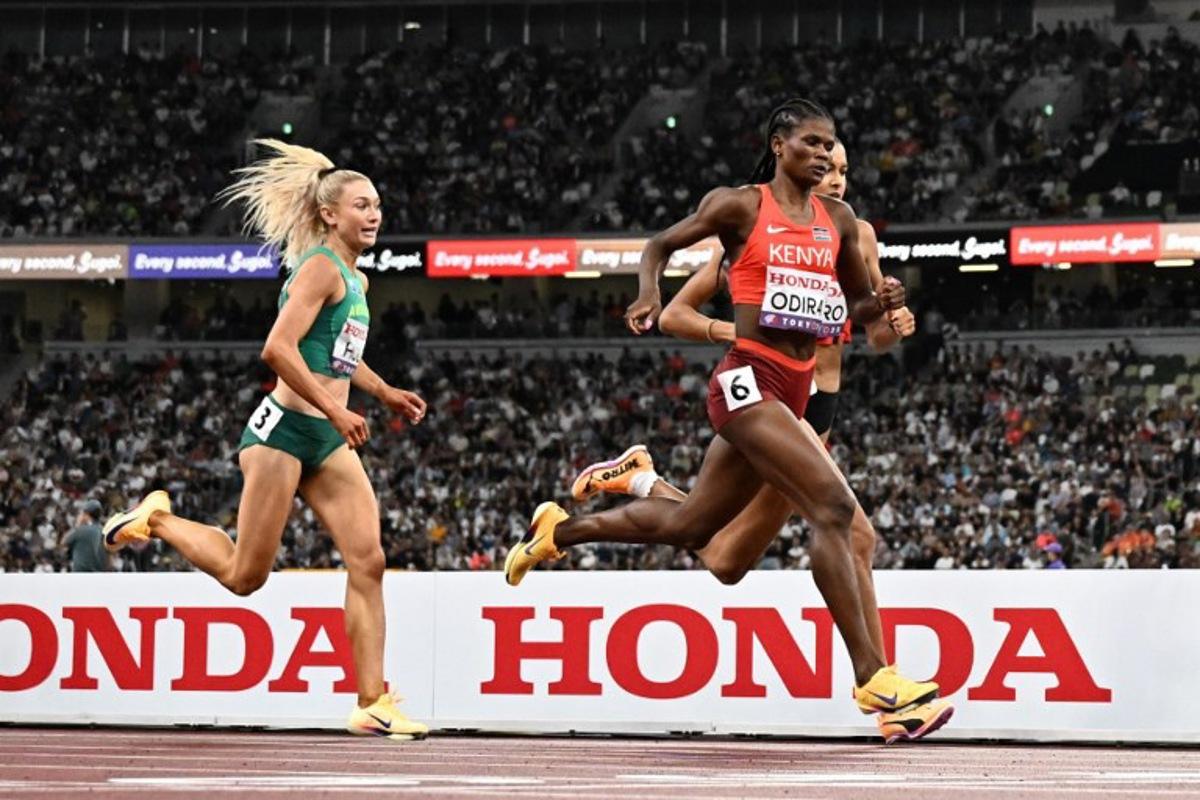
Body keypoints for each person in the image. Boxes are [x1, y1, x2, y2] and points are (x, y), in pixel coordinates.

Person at [505, 99, 950, 741]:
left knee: (701, 532)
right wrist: (649, 291)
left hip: (797, 392)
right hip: (747, 381)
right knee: (834, 511)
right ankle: (874, 679)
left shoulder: (842, 221)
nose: (827, 158)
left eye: (834, 148)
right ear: (779, 145)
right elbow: (660, 244)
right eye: (815, 145)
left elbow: (857, 305)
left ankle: (559, 533)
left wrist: (885, 305)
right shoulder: (740, 206)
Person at [102, 140, 429, 740]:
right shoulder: (320, 268)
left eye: (378, 204)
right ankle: (156, 520)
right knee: (245, 576)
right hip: (282, 433)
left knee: (370, 560)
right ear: (331, 214)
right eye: (362, 204)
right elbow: (276, 349)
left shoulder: (355, 278)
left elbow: (340, 357)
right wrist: (336, 409)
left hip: (324, 439)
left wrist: (381, 392)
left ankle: (371, 701)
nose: (375, 214)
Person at [62, 500, 108, 573]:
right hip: (100, 574)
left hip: (81, 575)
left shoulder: (80, 530)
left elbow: (63, 542)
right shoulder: (104, 530)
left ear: (86, 514)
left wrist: (77, 525)